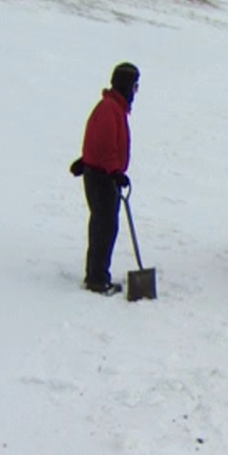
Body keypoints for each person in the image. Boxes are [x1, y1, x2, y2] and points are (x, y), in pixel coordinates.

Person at [71, 62, 140, 295]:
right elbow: (104, 143)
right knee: (104, 227)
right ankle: (97, 279)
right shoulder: (109, 109)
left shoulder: (111, 108)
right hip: (102, 178)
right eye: (134, 86)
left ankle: (96, 274)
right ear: (126, 85)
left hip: (99, 174)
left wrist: (85, 160)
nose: (135, 93)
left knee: (103, 225)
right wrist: (114, 172)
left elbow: (97, 140)